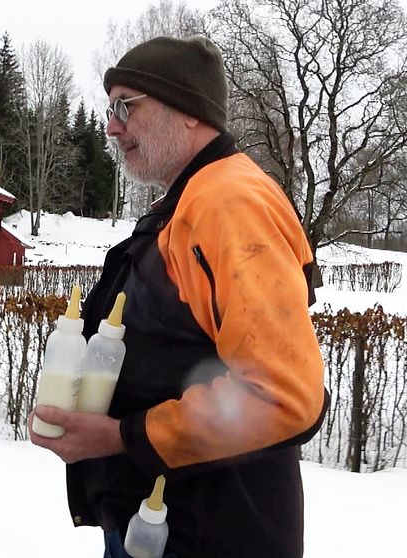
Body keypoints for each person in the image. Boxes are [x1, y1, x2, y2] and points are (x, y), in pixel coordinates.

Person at [28, 35, 327, 558]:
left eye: (126, 106)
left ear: (188, 111)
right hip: (163, 521)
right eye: (109, 108)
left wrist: (124, 435)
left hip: (211, 531)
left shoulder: (229, 203)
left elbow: (282, 392)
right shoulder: (191, 199)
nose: (111, 126)